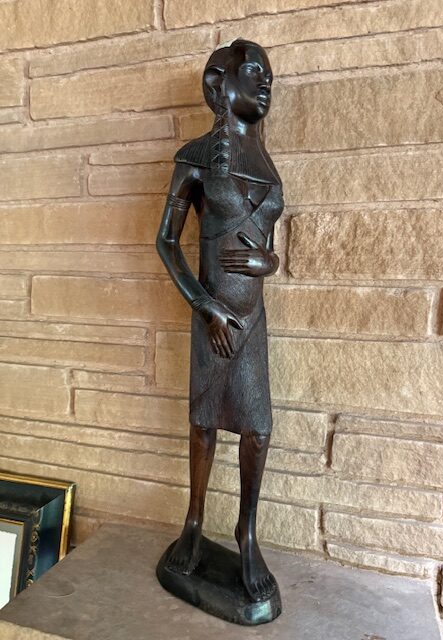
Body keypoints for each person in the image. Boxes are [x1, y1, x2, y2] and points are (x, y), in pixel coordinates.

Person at [156, 39, 284, 603]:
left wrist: (268, 263)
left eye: (269, 76)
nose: (265, 83)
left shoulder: (265, 163)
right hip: (213, 316)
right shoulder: (196, 157)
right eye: (254, 72)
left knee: (258, 428)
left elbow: (267, 247)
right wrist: (204, 305)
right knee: (204, 421)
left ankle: (246, 532)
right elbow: (166, 241)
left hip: (252, 320)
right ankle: (194, 520)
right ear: (219, 82)